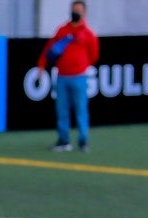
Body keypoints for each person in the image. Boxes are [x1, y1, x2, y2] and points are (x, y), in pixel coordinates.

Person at [37, 0, 99, 152]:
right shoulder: (62, 30)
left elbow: (94, 55)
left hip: (79, 77)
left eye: (78, 10)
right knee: (62, 110)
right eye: (74, 10)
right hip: (62, 77)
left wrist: (81, 66)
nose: (75, 13)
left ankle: (83, 141)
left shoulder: (88, 33)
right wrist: (41, 66)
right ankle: (64, 140)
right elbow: (49, 48)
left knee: (81, 110)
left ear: (84, 13)